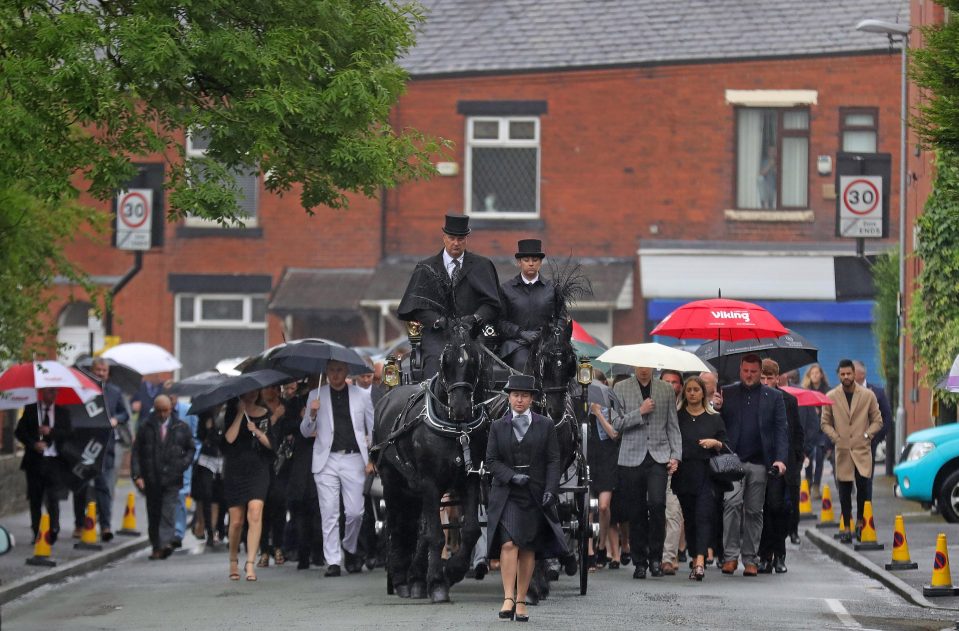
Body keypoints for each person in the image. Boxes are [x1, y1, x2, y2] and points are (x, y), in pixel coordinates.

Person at [486, 375, 567, 623]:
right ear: (509, 397)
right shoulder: (498, 426)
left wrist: (551, 490)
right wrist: (511, 476)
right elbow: (491, 461)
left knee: (528, 546)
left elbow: (554, 460)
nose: (519, 399)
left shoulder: (545, 425)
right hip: (508, 493)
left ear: (532, 399)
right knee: (509, 544)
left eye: (524, 395)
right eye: (515, 395)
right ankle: (508, 597)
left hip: (535, 492)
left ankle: (521, 599)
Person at [397, 214, 501, 378]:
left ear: (466, 239)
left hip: (471, 334)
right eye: (452, 238)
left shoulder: (482, 266)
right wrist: (438, 321)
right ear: (444, 237)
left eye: (460, 239)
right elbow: (417, 306)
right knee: (436, 362)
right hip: (438, 335)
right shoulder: (426, 267)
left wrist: (475, 318)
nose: (456, 243)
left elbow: (492, 304)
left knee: (475, 364)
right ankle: (433, 402)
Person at [301, 359, 375, 577]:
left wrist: (372, 459)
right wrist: (312, 414)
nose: (335, 374)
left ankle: (349, 546)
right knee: (329, 512)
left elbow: (372, 429)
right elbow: (305, 431)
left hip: (354, 459)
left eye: (339, 370)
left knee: (355, 512)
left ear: (346, 372)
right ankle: (332, 560)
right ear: (326, 372)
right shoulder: (316, 395)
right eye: (331, 370)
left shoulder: (361, 395)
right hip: (327, 459)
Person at [716, 354, 787, 577]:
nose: (749, 375)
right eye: (746, 371)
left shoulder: (774, 397)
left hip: (759, 461)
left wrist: (780, 459)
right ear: (740, 370)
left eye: (754, 371)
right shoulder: (727, 393)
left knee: (755, 511)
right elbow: (716, 424)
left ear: (760, 372)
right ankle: (729, 557)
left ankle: (750, 559)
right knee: (732, 504)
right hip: (731, 458)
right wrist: (715, 407)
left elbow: (780, 430)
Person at [611, 366, 682, 579]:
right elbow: (616, 424)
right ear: (634, 366)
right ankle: (639, 561)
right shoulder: (621, 388)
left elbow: (673, 425)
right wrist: (639, 412)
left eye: (647, 366)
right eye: (640, 366)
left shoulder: (665, 389)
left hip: (659, 455)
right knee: (636, 510)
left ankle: (655, 558)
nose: (643, 369)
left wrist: (675, 455)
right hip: (632, 456)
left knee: (657, 504)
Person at [820, 359, 883, 543]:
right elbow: (824, 423)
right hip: (843, 450)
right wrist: (836, 437)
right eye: (843, 374)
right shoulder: (831, 396)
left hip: (862, 450)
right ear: (838, 375)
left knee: (863, 488)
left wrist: (866, 436)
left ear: (855, 374)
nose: (846, 377)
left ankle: (861, 524)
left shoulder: (867, 395)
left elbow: (878, 421)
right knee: (844, 490)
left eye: (849, 373)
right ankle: (846, 526)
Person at [671, 376, 727, 581]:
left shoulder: (714, 417)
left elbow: (725, 444)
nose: (693, 393)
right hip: (684, 474)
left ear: (704, 392)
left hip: (707, 473)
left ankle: (701, 561)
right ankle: (695, 557)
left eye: (696, 389)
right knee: (691, 519)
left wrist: (715, 443)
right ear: (684, 393)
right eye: (689, 390)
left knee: (704, 516)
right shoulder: (677, 417)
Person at [131, 395, 195, 560]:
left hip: (172, 477)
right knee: (154, 513)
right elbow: (136, 452)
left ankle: (165, 543)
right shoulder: (146, 426)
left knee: (168, 510)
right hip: (151, 477)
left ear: (170, 409)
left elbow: (190, 448)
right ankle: (156, 545)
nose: (162, 414)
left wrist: (183, 464)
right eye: (159, 411)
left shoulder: (181, 426)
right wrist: (137, 475)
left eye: (165, 410)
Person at [757, 359, 804, 574]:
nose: (766, 382)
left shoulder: (789, 401)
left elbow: (796, 434)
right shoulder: (754, 398)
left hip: (784, 465)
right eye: (763, 378)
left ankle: (779, 554)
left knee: (780, 510)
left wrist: (795, 462)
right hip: (761, 462)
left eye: (770, 378)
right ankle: (766, 556)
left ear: (778, 378)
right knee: (765, 511)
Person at [222, 389, 274, 581]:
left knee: (255, 511)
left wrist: (258, 432)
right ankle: (233, 559)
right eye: (246, 392)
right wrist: (238, 415)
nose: (250, 395)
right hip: (235, 470)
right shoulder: (231, 412)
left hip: (258, 469)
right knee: (236, 521)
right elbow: (228, 440)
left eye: (254, 392)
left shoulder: (265, 413)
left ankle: (250, 563)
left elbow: (272, 444)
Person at [16, 388, 73, 545]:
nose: (53, 395)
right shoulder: (31, 410)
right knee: (35, 498)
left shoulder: (62, 412)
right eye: (49, 392)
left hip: (54, 461)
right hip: (35, 461)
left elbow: (69, 433)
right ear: (42, 392)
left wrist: (51, 431)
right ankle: (37, 531)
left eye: (55, 392)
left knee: (53, 498)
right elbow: (19, 432)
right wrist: (33, 444)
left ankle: (53, 529)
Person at [497, 239, 559, 372]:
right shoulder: (506, 289)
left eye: (535, 260)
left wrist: (545, 333)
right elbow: (500, 322)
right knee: (524, 364)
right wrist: (521, 333)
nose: (531, 263)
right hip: (517, 345)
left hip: (547, 344)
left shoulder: (552, 289)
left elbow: (561, 319)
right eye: (526, 260)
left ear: (540, 263)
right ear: (519, 262)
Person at [89, 358, 130, 542]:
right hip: (86, 444)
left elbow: (125, 414)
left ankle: (105, 525)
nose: (100, 373)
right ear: (92, 370)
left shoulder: (115, 392)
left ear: (108, 373)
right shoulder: (84, 391)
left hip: (107, 445)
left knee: (104, 485)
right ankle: (80, 524)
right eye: (97, 370)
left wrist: (116, 419)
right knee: (83, 487)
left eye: (103, 370)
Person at [586, 369, 621, 569]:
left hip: (607, 457)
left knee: (603, 506)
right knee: (588, 507)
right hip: (589, 456)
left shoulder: (609, 405)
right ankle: (589, 550)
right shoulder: (580, 405)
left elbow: (614, 434)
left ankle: (601, 545)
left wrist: (598, 413)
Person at [257, 385, 290, 567]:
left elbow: (292, 429)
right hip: (263, 464)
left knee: (280, 506)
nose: (268, 391)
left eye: (272, 388)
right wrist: (274, 417)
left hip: (283, 464)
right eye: (266, 389)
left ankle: (278, 546)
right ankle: (264, 549)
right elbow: (259, 434)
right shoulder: (259, 409)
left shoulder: (286, 406)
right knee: (263, 509)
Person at [659, 368, 685, 575]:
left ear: (681, 386)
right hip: (656, 464)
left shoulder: (688, 407)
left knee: (674, 514)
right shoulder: (655, 406)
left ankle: (669, 557)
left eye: (674, 382)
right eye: (666, 381)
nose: (670, 385)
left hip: (680, 467)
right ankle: (657, 554)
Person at [192, 408, 226, 547]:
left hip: (223, 458)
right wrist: (208, 429)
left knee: (222, 496)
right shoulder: (205, 415)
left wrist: (214, 430)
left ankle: (221, 527)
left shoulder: (229, 412)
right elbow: (200, 436)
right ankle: (209, 531)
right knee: (207, 494)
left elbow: (224, 440)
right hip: (207, 459)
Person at [853, 360, 893, 467]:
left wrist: (877, 437)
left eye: (853, 372)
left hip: (869, 443)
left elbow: (887, 417)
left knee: (866, 478)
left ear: (862, 375)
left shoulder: (877, 393)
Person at [801, 363, 830, 498]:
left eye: (817, 373)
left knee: (819, 455)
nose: (815, 375)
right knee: (808, 456)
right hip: (809, 431)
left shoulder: (827, 391)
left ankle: (816, 485)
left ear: (821, 375)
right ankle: (807, 481)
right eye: (812, 373)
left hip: (822, 431)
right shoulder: (805, 391)